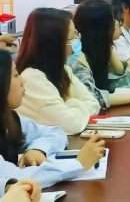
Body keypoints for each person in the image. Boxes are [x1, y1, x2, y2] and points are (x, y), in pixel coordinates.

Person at [0, 49, 105, 190]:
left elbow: (55, 131)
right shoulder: (35, 76)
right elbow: (14, 178)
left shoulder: (10, 119)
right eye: (15, 75)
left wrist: (38, 149)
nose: (22, 81)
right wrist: (78, 164)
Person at [15, 9, 100, 135]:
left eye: (76, 34)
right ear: (54, 43)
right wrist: (73, 103)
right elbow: (72, 124)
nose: (77, 40)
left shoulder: (63, 69)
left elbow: (94, 103)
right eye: (72, 37)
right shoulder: (32, 78)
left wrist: (68, 106)